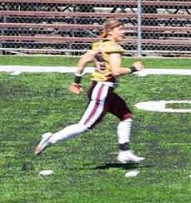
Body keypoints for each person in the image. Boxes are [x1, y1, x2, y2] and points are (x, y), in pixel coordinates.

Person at [35, 16, 146, 164]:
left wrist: (76, 82)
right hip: (103, 89)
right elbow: (116, 72)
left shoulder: (99, 45)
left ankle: (125, 152)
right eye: (120, 29)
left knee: (126, 116)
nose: (123, 32)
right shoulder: (114, 48)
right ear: (110, 31)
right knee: (85, 125)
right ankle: (51, 139)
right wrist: (133, 68)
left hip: (102, 88)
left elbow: (83, 60)